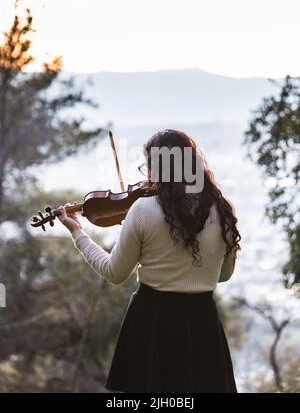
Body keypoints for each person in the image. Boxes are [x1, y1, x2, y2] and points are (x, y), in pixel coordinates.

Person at [58, 129, 241, 393]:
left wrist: (78, 233)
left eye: (147, 165)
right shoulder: (223, 210)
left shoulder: (143, 210)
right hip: (202, 323)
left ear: (156, 166)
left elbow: (114, 272)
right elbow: (223, 275)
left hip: (152, 323)